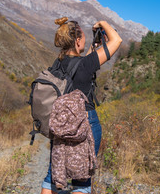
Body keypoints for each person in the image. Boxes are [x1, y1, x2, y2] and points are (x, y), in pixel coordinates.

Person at [41, 17, 122, 194]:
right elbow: (117, 40)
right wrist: (103, 24)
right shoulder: (85, 64)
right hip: (85, 123)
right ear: (78, 41)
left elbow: (79, 66)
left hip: (61, 125)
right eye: (84, 37)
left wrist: (95, 44)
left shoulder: (58, 65)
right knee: (82, 180)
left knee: (52, 176)